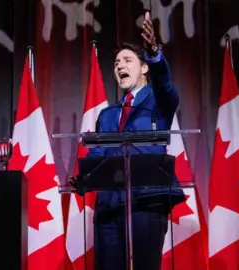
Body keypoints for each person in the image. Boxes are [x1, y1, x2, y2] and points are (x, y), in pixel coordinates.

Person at [69, 12, 185, 270]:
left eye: (127, 60)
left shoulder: (159, 101)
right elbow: (98, 154)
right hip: (109, 208)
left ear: (144, 67)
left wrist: (154, 52)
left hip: (146, 202)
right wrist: (84, 177)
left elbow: (165, 85)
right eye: (116, 62)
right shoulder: (108, 115)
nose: (120, 66)